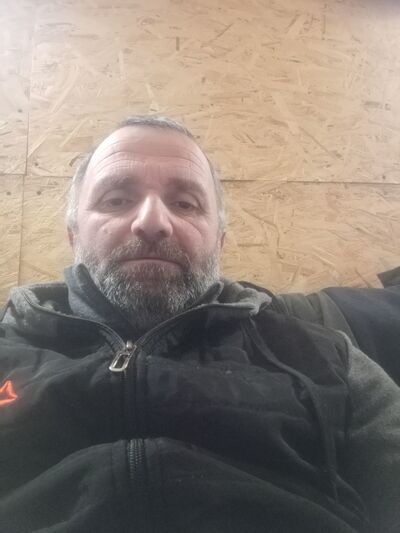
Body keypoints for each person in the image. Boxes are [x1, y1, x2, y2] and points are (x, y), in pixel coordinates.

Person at [0, 116, 399, 533]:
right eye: (116, 200)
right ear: (74, 235)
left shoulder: (325, 359)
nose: (152, 221)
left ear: (219, 240)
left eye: (185, 204)